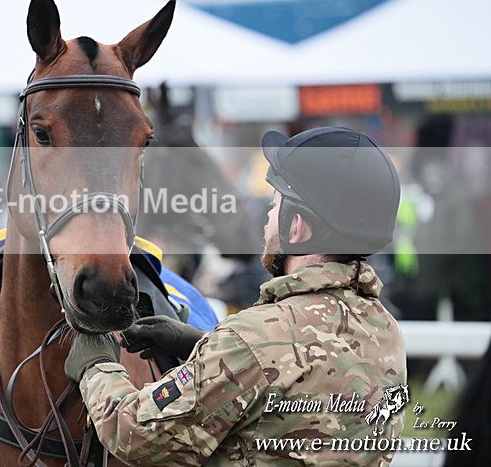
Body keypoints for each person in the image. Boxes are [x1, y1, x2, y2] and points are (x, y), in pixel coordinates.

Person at [65, 126, 407, 465]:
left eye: (274, 207)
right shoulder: (385, 330)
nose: (267, 220)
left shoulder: (253, 340)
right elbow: (297, 372)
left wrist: (96, 366)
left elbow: (134, 434)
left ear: (297, 226)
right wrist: (205, 347)